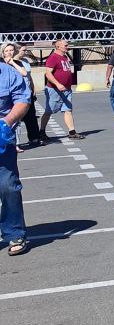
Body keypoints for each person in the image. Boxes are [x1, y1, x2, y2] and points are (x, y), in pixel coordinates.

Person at [0, 57, 33, 255]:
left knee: (8, 186)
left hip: (2, 139)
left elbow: (22, 100)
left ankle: (14, 233)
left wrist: (6, 121)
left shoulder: (8, 73)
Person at [3, 44, 44, 147]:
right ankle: (10, 143)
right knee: (8, 119)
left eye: (11, 50)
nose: (9, 52)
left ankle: (31, 139)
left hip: (20, 94)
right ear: (3, 52)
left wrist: (12, 62)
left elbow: (25, 74)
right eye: (7, 50)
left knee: (25, 118)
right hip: (6, 95)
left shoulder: (18, 63)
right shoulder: (1, 64)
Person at [39, 38, 79, 140]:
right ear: (58, 46)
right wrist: (57, 84)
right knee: (49, 111)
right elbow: (48, 74)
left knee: (68, 109)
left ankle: (72, 132)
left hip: (67, 89)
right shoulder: (53, 58)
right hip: (54, 89)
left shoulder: (64, 57)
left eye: (67, 45)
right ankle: (42, 131)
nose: (67, 47)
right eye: (65, 45)